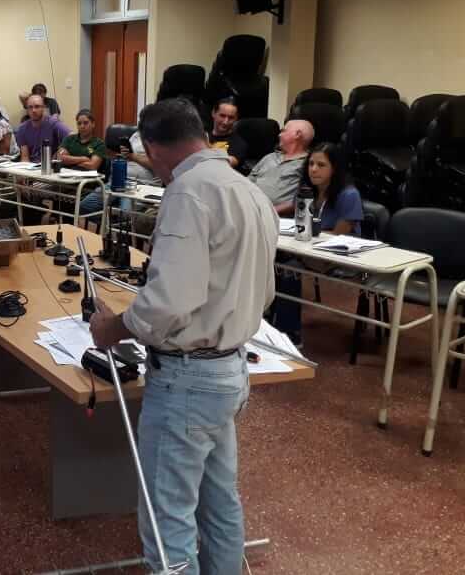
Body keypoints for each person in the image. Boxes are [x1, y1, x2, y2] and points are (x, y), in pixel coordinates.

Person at [89, 98, 278, 575]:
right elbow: (265, 291)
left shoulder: (187, 193)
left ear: (153, 149)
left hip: (187, 381)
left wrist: (112, 328)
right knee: (219, 504)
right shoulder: (248, 189)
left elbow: (167, 303)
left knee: (166, 518)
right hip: (229, 369)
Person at [271, 143, 364, 345]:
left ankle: (289, 335)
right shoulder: (306, 191)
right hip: (306, 250)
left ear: (335, 169)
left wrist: (304, 236)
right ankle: (269, 326)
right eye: (311, 164)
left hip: (339, 256)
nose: (313, 169)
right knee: (270, 261)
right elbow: (299, 225)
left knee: (288, 269)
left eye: (321, 165)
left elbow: (337, 237)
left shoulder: (349, 195)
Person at [248, 119, 315, 215]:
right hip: (248, 209)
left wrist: (268, 212)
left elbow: (302, 200)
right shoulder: (269, 157)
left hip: (276, 216)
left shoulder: (308, 164)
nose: (279, 135)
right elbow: (247, 182)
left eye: (283, 131)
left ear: (297, 134)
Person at [14, 94, 70, 163]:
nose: (33, 110)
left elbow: (72, 137)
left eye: (37, 106)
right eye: (30, 107)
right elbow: (25, 158)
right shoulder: (22, 128)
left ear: (43, 107)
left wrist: (60, 152)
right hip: (31, 166)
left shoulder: (53, 123)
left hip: (50, 165)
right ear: (27, 109)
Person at [207, 97, 247, 168]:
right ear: (213, 113)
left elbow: (226, 164)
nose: (225, 122)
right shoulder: (202, 137)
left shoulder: (239, 144)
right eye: (222, 116)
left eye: (231, 118)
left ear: (236, 118)